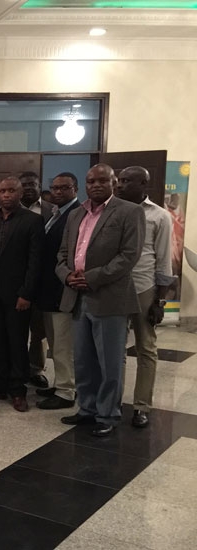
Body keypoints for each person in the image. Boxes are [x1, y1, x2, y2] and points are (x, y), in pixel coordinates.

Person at [57, 163, 144, 437]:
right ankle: (87, 409)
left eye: (101, 181)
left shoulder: (129, 211)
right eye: (90, 181)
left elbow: (129, 256)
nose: (95, 185)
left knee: (110, 361)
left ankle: (108, 414)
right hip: (77, 295)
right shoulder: (75, 215)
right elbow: (61, 254)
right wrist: (67, 275)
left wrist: (93, 277)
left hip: (109, 297)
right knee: (83, 359)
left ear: (113, 182)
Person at [0, 177, 44, 412]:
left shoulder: (32, 221)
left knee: (17, 342)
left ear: (20, 193)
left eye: (11, 190)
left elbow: (35, 262)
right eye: (2, 191)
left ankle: (18, 390)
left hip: (17, 296)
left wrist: (27, 293)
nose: (6, 195)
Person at [115, 165, 174, 428]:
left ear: (143, 185)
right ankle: (112, 400)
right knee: (114, 349)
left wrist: (160, 301)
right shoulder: (111, 211)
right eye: (120, 180)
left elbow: (163, 261)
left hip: (143, 288)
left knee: (146, 348)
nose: (120, 185)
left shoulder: (159, 216)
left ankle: (142, 406)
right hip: (114, 288)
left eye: (127, 181)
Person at [35, 172, 80, 410]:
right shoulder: (55, 213)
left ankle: (66, 391)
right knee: (54, 342)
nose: (58, 192)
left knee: (63, 344)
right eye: (54, 188)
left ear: (75, 189)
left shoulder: (77, 214)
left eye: (64, 188)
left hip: (63, 288)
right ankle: (61, 382)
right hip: (48, 289)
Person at [19, 171, 53, 388]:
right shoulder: (12, 210)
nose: (29, 188)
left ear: (40, 186)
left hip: (42, 277)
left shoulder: (51, 210)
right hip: (16, 277)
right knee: (17, 328)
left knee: (38, 329)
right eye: (25, 185)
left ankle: (36, 369)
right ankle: (17, 367)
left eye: (33, 184)